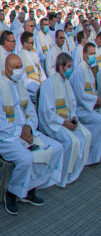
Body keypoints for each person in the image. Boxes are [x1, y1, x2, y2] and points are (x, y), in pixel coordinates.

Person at [0, 54, 64, 214]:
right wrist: (19, 131)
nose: (19, 70)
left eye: (21, 66)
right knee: (26, 158)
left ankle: (30, 188)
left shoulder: (20, 86)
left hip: (26, 132)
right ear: (7, 69)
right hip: (5, 137)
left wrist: (29, 127)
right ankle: (11, 193)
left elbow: (30, 111)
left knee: (57, 147)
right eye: (16, 67)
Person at [38, 52, 93, 185]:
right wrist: (63, 122)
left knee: (86, 135)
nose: (71, 69)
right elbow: (47, 112)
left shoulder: (66, 82)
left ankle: (74, 171)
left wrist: (73, 117)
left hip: (66, 120)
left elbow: (72, 103)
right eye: (69, 66)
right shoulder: (49, 84)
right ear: (61, 67)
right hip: (53, 123)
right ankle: (62, 176)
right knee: (72, 141)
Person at [67, 43, 101, 164]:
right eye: (91, 54)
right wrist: (96, 101)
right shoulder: (79, 70)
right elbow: (79, 95)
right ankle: (91, 155)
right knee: (99, 120)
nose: (93, 56)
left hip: (89, 106)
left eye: (94, 54)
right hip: (81, 109)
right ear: (84, 54)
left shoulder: (89, 70)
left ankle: (96, 153)